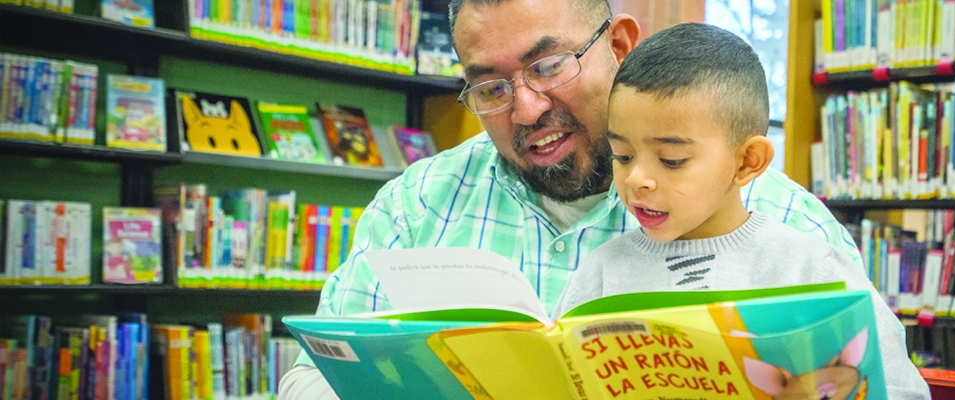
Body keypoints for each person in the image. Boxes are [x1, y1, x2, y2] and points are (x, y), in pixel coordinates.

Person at [277, 0, 864, 398]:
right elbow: (315, 374)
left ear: (621, 46)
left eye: (549, 65)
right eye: (491, 87)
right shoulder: (414, 207)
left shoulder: (790, 226)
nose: (527, 108)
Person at [552, 23, 930, 398]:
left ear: (748, 161)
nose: (637, 179)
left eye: (671, 160)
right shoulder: (600, 275)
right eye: (623, 156)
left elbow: (902, 390)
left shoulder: (811, 267)